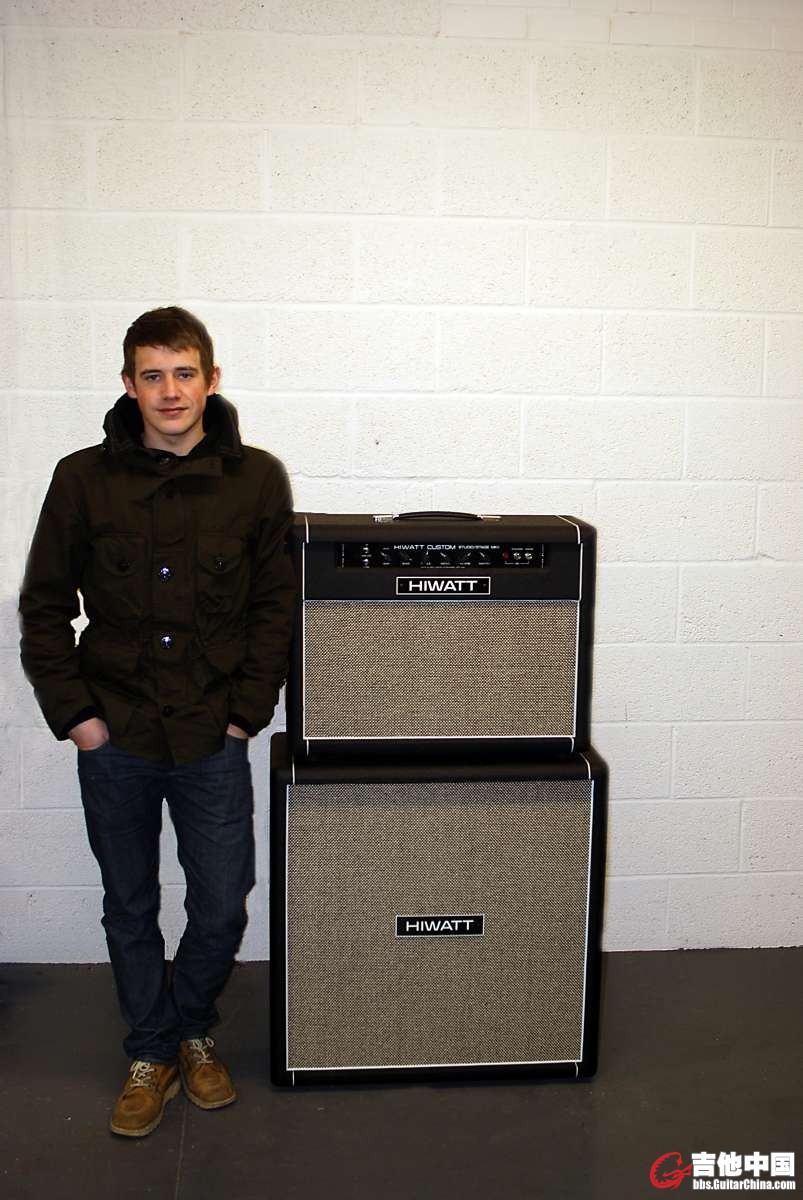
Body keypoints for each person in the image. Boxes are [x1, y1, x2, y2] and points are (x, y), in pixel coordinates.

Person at [19, 307, 296, 1138]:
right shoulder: (82, 479)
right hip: (117, 735)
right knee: (129, 903)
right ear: (128, 384)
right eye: (152, 375)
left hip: (212, 735)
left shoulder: (256, 478)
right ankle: (153, 1050)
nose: (169, 391)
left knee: (221, 904)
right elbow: (43, 607)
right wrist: (79, 719)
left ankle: (190, 1028)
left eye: (183, 373)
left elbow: (274, 610)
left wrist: (245, 716)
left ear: (210, 379)